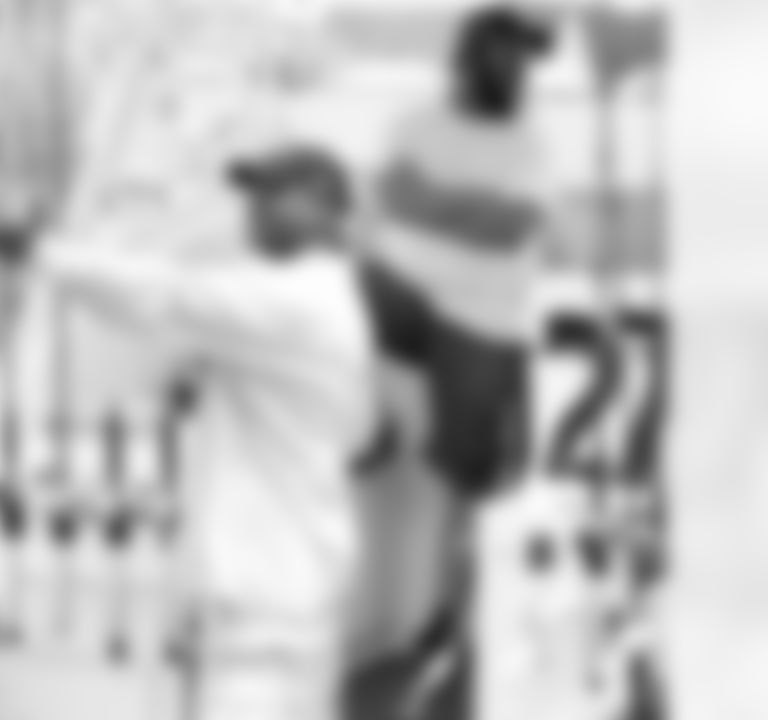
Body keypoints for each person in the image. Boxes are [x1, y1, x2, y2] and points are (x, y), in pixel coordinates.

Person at [0, 143, 379, 720]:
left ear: (325, 209)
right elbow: (357, 434)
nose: (254, 209)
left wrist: (39, 253)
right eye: (253, 194)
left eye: (274, 193)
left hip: (264, 609)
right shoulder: (316, 304)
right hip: (274, 600)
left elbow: (166, 296)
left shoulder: (299, 298)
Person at [349, 3, 557, 715]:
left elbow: (513, 230)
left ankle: (455, 625)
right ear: (467, 58)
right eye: (503, 55)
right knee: (336, 275)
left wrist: (430, 204)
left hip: (485, 322)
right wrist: (465, 211)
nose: (515, 71)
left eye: (523, 61)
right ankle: (365, 428)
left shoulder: (531, 145)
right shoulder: (414, 123)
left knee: (473, 490)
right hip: (406, 300)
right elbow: (390, 199)